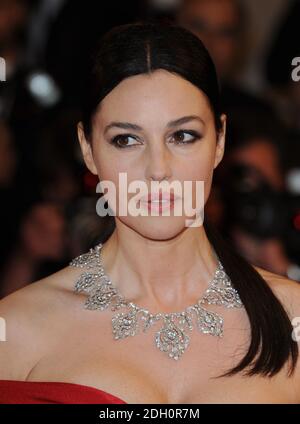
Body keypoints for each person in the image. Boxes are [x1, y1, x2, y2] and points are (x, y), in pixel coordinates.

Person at [0, 21, 299, 404]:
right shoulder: (18, 330)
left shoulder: (291, 318)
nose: (158, 169)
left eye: (183, 135)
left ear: (220, 141)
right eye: (126, 139)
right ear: (88, 148)